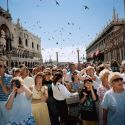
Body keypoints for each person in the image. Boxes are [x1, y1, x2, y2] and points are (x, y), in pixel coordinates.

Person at [0, 60, 12, 125]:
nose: (1, 68)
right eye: (0, 66)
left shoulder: (9, 77)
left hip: (5, 103)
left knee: (7, 122)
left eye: (3, 66)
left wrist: (1, 82)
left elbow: (7, 92)